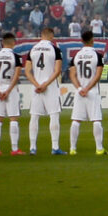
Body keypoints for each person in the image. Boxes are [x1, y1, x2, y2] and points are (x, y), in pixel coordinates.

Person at [24, 27, 64, 155]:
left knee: (34, 116)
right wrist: (46, 84)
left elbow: (27, 71)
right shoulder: (55, 49)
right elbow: (57, 71)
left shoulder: (33, 49)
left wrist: (37, 84)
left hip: (36, 87)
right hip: (50, 86)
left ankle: (32, 148)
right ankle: (55, 147)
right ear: (51, 36)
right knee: (54, 115)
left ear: (41, 35)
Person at [68, 31, 106, 155]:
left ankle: (72, 149)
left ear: (82, 41)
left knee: (76, 120)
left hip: (80, 93)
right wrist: (88, 88)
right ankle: (99, 148)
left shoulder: (76, 56)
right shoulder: (97, 56)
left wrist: (80, 89)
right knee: (96, 120)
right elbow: (98, 75)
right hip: (92, 92)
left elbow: (72, 75)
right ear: (92, 40)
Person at [0, 33, 24, 155]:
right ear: (13, 43)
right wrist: (8, 90)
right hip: (11, 88)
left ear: (2, 43)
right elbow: (17, 75)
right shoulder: (16, 57)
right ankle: (14, 149)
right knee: (13, 118)